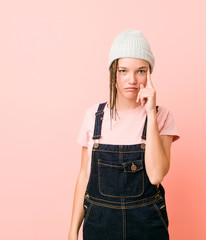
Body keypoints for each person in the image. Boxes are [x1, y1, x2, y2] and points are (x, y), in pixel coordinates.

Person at [68, 29, 180, 240]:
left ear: (149, 74)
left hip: (146, 226)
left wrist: (150, 115)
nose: (132, 80)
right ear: (113, 73)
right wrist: (73, 230)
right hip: (100, 225)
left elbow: (156, 175)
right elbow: (84, 175)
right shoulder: (94, 116)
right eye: (123, 71)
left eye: (140, 71)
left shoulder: (162, 116)